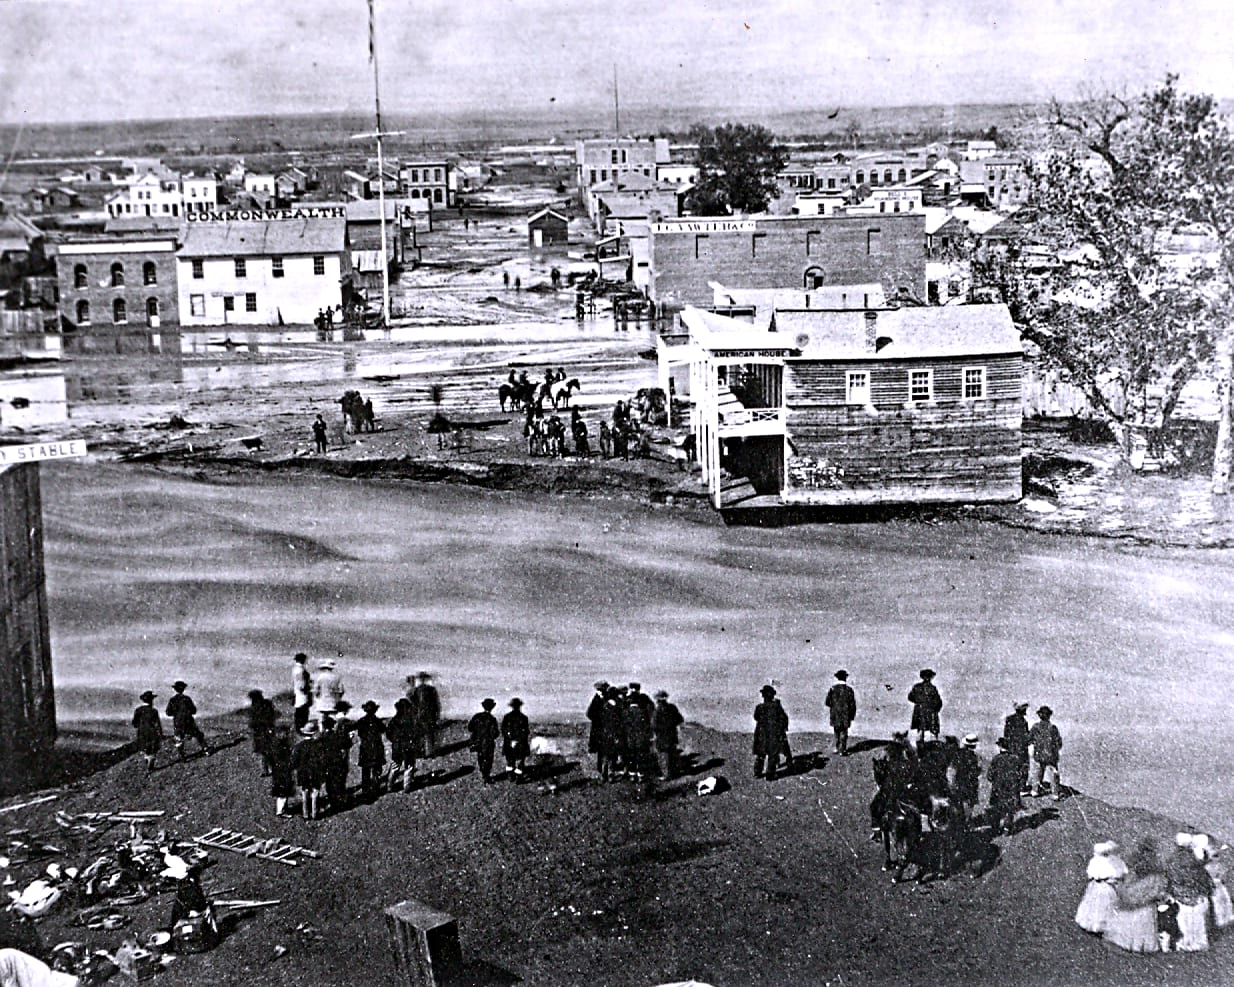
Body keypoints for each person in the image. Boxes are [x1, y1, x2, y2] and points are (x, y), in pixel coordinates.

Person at [1103, 838, 1168, 953]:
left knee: (1129, 920)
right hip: (1146, 903)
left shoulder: (1134, 863)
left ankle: (1124, 942)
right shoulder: (1155, 867)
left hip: (1132, 897)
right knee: (1144, 923)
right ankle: (1140, 946)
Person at [1166, 833, 1213, 951]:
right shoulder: (1196, 860)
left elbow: (1171, 878)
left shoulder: (1173, 859)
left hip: (1180, 894)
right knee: (1198, 920)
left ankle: (1186, 943)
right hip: (1195, 894)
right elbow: (1202, 878)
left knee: (1183, 921)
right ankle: (1198, 943)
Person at [1075, 841, 1128, 934]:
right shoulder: (1097, 861)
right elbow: (1093, 874)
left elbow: (1122, 872)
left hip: (1109, 887)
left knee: (1105, 906)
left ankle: (1104, 925)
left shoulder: (1114, 861)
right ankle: (1097, 925)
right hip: (1102, 886)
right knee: (1098, 906)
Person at [986, 737, 1022, 835]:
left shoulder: (996, 759)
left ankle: (996, 826)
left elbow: (989, 776)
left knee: (997, 807)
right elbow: (1020, 775)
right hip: (1012, 786)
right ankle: (1007, 827)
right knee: (1009, 808)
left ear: (1000, 747)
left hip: (998, 786)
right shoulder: (1016, 759)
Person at [753, 685, 789, 780]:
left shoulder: (759, 707)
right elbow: (784, 718)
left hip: (761, 733)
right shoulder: (776, 707)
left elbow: (756, 717)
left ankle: (757, 772)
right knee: (773, 754)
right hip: (774, 733)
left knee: (761, 754)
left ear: (763, 696)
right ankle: (770, 774)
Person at [166, 681, 209, 758]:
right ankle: (206, 749)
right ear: (183, 689)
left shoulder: (172, 700)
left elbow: (168, 712)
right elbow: (194, 711)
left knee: (178, 738)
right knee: (198, 734)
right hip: (188, 721)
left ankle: (182, 756)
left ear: (175, 689)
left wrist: (176, 713)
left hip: (178, 722)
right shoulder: (187, 699)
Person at [1028, 705, 1063, 800]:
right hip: (1051, 754)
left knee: (1037, 772)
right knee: (1053, 774)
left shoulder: (1036, 727)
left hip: (1039, 754)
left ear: (1039, 715)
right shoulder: (1053, 728)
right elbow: (1059, 742)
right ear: (1049, 716)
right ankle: (1055, 793)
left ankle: (1035, 791)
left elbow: (1029, 739)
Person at [385, 697, 418, 792]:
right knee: (409, 766)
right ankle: (407, 786)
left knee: (395, 766)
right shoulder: (410, 721)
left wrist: (394, 741)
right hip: (408, 746)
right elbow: (415, 733)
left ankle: (389, 785)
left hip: (397, 746)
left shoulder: (394, 720)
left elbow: (388, 734)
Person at [320, 715, 352, 813]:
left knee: (329, 784)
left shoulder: (321, 737)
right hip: (338, 763)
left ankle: (332, 801)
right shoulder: (337, 735)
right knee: (339, 782)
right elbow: (347, 745)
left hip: (327, 763)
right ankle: (340, 801)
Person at [354, 701, 387, 799]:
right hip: (376, 747)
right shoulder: (378, 721)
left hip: (365, 747)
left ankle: (366, 790)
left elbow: (360, 734)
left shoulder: (361, 721)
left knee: (366, 770)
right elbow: (383, 730)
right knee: (377, 769)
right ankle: (375, 788)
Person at [290, 723, 323, 820]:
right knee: (315, 792)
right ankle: (315, 813)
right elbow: (321, 759)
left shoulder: (298, 746)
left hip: (303, 772)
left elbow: (294, 761)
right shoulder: (318, 745)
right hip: (315, 772)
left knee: (305, 792)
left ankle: (305, 814)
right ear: (313, 733)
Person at [622, 689, 654, 784]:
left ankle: (632, 775)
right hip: (641, 738)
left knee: (631, 757)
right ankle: (641, 775)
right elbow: (647, 726)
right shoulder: (643, 712)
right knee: (641, 757)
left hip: (630, 738)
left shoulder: (626, 713)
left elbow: (623, 726)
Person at [652, 690, 684, 780]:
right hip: (672, 734)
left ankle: (666, 775)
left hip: (661, 736)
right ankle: (674, 772)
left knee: (663, 756)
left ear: (657, 700)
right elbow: (680, 719)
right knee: (672, 754)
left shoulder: (657, 711)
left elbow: (653, 725)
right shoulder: (672, 708)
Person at [467, 698, 501, 783]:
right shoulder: (492, 719)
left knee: (480, 757)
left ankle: (483, 773)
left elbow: (470, 728)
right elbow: (495, 733)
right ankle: (486, 775)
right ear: (492, 708)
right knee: (488, 759)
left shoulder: (477, 716)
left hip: (477, 741)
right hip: (488, 743)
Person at [950, 734, 982, 824]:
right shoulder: (975, 757)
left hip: (959, 780)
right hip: (971, 782)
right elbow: (977, 771)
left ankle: (959, 821)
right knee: (969, 802)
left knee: (958, 801)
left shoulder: (958, 754)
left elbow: (954, 768)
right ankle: (967, 820)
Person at [1001, 701, 1031, 796]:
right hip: (1021, 748)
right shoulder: (1023, 722)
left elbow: (1006, 734)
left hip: (1011, 747)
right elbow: (1026, 736)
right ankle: (1022, 787)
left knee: (1012, 766)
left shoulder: (1009, 719)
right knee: (1023, 767)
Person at [824, 670, 856, 756]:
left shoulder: (833, 689)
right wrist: (852, 716)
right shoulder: (849, 690)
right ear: (846, 678)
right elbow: (852, 704)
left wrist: (834, 706)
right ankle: (842, 749)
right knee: (844, 731)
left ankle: (836, 747)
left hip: (835, 714)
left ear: (837, 678)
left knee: (836, 730)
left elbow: (827, 702)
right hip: (846, 714)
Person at [246, 689, 278, 775]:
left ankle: (265, 769)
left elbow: (252, 722)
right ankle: (270, 768)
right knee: (268, 750)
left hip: (259, 732)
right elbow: (272, 716)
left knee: (263, 751)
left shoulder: (253, 708)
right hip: (267, 730)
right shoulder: (267, 704)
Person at [410, 672, 441, 758]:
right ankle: (429, 752)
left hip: (421, 715)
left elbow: (413, 702)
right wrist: (437, 715)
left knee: (421, 734)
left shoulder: (417, 690)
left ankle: (423, 752)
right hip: (428, 715)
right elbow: (436, 704)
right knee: (428, 734)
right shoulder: (431, 689)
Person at [598, 686, 625, 782]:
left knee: (605, 755)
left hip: (605, 733)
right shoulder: (618, 706)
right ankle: (610, 775)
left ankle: (603, 775)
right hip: (615, 734)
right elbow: (619, 722)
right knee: (612, 755)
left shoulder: (605, 706)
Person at [268, 725, 296, 817]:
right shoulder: (282, 746)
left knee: (282, 790)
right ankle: (281, 811)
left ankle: (282, 808)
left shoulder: (274, 745)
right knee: (283, 791)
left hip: (278, 770)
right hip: (283, 770)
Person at [908, 669, 942, 745]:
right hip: (929, 712)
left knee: (920, 730)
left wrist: (919, 702)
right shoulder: (932, 688)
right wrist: (934, 708)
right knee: (931, 730)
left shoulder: (917, 687)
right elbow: (938, 702)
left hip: (920, 711)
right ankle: (931, 745)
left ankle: (921, 745)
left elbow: (910, 697)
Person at [132, 690, 163, 772]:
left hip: (142, 732)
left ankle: (148, 764)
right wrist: (160, 734)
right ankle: (150, 766)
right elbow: (158, 724)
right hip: (152, 732)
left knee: (145, 749)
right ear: (151, 700)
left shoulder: (138, 710)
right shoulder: (154, 711)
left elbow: (134, 723)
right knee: (152, 749)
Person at [501, 698, 531, 781]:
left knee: (510, 759)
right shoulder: (524, 718)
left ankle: (511, 775)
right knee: (520, 760)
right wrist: (518, 740)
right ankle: (518, 777)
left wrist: (510, 739)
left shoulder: (507, 717)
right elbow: (526, 732)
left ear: (511, 707)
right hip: (521, 742)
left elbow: (503, 730)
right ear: (519, 706)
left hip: (508, 742)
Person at [586, 681, 608, 775]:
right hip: (598, 728)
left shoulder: (605, 697)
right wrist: (598, 719)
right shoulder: (596, 700)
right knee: (600, 749)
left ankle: (603, 768)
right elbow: (589, 714)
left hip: (603, 727)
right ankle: (600, 768)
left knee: (605, 748)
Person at [313, 658, 344, 722]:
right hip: (334, 702)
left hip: (322, 702)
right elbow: (341, 691)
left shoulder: (320, 677)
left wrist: (317, 697)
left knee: (322, 720)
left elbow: (316, 691)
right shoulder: (337, 678)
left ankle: (322, 731)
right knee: (333, 720)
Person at [292, 652, 312, 733]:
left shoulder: (295, 669)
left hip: (297, 694)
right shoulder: (301, 670)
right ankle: (301, 729)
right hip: (303, 696)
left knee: (299, 712)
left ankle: (299, 728)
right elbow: (302, 686)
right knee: (303, 713)